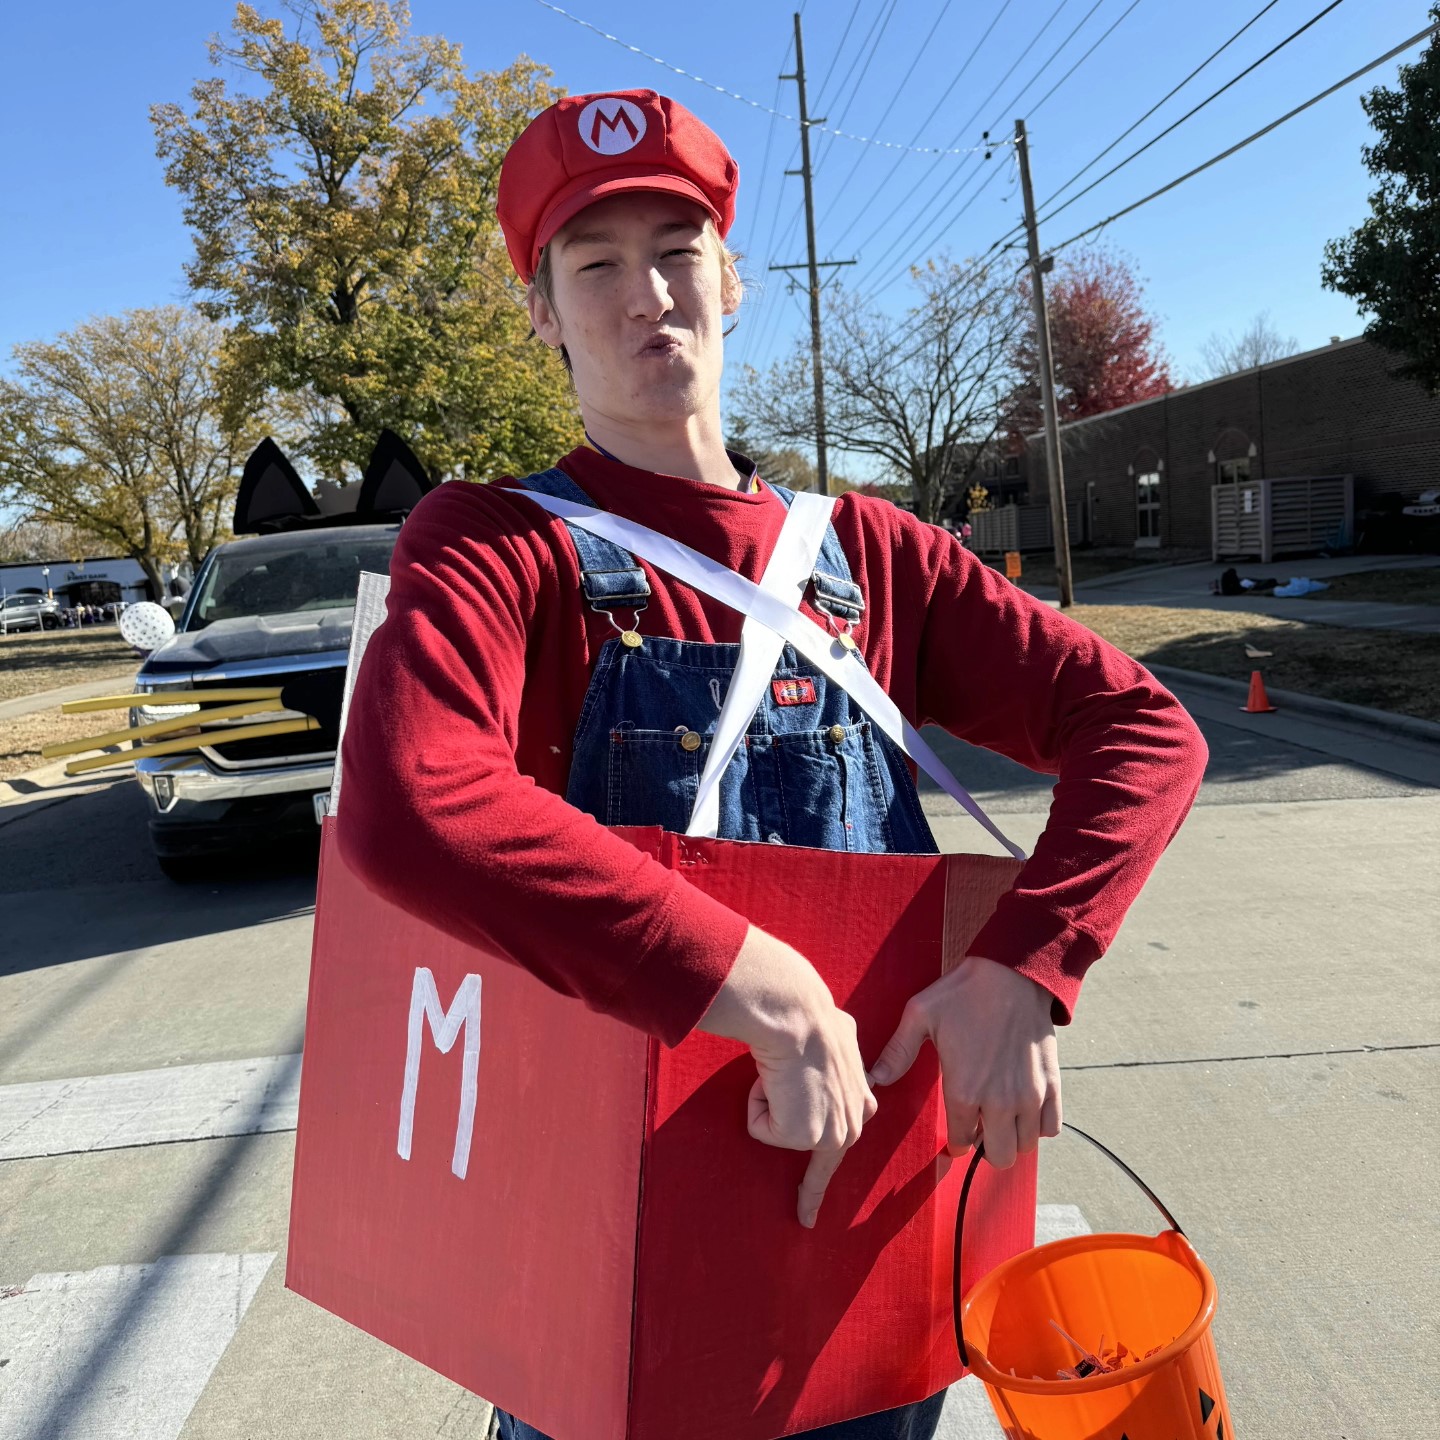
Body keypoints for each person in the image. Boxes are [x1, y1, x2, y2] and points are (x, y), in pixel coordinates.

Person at [337, 89, 1208, 1440]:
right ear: (541, 314)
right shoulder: (494, 545)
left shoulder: (873, 556)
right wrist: (761, 984)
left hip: (860, 1267)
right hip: (614, 1280)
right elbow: (413, 801)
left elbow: (1146, 730)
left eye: (679, 251)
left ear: (733, 280)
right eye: (597, 264)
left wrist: (1027, 967)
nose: (650, 299)